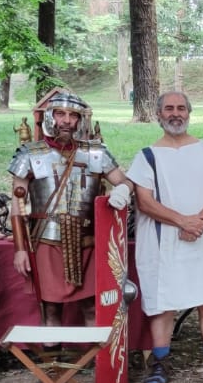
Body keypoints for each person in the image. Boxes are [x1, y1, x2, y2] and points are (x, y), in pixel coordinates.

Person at [128, 91, 203, 383]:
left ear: (190, 112)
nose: (176, 113)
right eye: (169, 109)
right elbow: (145, 202)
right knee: (163, 304)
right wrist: (182, 221)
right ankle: (160, 364)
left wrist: (198, 221)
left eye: (181, 108)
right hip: (164, 242)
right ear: (159, 114)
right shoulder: (147, 156)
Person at [10, 89, 133, 330]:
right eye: (60, 114)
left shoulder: (96, 152)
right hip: (47, 240)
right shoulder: (30, 155)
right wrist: (20, 250)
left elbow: (125, 181)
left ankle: (93, 363)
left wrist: (123, 190)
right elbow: (18, 207)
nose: (66, 120)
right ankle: (53, 367)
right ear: (49, 117)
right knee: (51, 308)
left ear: (80, 120)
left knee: (90, 305)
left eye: (73, 115)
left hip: (87, 241)